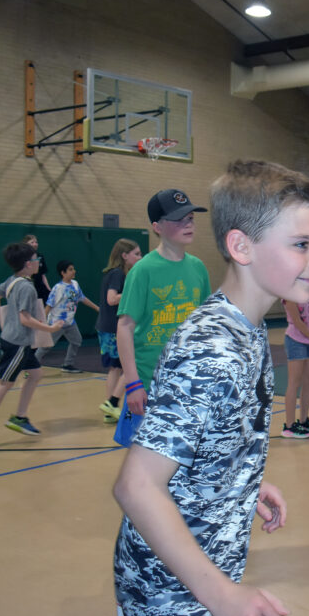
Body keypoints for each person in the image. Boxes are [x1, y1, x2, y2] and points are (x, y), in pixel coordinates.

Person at [112, 159, 309, 616]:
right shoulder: (212, 348)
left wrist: (241, 477)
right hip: (175, 600)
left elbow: (211, 432)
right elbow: (137, 486)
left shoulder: (248, 329)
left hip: (204, 580)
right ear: (241, 246)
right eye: (301, 244)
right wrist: (222, 597)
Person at [114, 188, 211, 446]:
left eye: (190, 218)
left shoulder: (198, 268)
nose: (188, 224)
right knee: (149, 468)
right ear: (157, 227)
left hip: (189, 384)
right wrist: (133, 383)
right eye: (179, 219)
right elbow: (124, 328)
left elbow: (203, 326)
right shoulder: (143, 271)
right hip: (150, 385)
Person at [0, 242, 64, 449]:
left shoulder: (12, 281)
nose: (39, 262)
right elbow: (25, 319)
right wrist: (51, 329)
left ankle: (19, 417)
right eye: (37, 259)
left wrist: (4, 323)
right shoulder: (26, 287)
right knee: (5, 383)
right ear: (28, 264)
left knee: (36, 374)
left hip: (18, 340)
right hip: (17, 344)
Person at [95, 238, 143, 423]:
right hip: (113, 328)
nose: (140, 257)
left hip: (106, 327)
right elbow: (111, 299)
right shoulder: (118, 274)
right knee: (129, 364)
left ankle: (110, 407)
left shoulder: (113, 273)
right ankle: (113, 403)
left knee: (115, 368)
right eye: (136, 254)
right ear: (124, 255)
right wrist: (133, 293)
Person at [281, 278, 309, 439]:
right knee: (295, 382)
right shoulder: (290, 291)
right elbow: (297, 321)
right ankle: (289, 425)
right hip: (296, 340)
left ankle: (304, 420)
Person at [34, 259, 99, 373]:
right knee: (46, 346)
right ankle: (31, 366)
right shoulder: (58, 288)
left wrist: (97, 308)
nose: (74, 271)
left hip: (70, 322)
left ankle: (67, 364)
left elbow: (81, 298)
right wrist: (42, 322)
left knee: (76, 340)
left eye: (73, 269)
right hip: (57, 323)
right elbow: (49, 305)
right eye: (70, 269)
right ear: (62, 273)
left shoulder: (75, 284)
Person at [24, 234, 51, 304]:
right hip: (29, 288)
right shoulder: (23, 257)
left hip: (40, 288)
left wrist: (48, 288)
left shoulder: (40, 256)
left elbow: (43, 275)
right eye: (32, 242)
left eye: (36, 242)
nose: (35, 244)